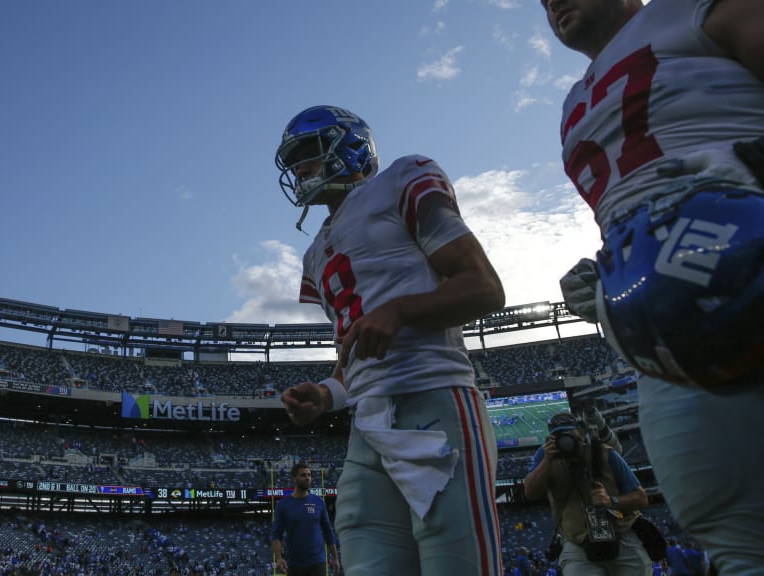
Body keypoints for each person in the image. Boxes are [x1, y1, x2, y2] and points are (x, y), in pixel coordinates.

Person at [541, 0, 764, 571]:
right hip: (671, 339)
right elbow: (630, 209)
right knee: (734, 536)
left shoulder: (693, 11)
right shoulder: (572, 103)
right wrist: (613, 274)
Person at [276, 105, 505, 575]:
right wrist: (326, 393)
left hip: (433, 394)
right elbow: (356, 345)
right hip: (367, 421)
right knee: (366, 554)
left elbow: (484, 287)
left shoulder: (403, 177)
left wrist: (401, 311)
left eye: (309, 153)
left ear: (350, 146)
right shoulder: (314, 252)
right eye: (294, 160)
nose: (301, 169)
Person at [524, 413, 652, 575]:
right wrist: (547, 460)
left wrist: (610, 500)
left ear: (580, 433)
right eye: (558, 435)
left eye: (569, 433)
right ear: (551, 438)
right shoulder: (544, 456)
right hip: (577, 541)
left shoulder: (605, 453)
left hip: (621, 535)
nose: (565, 439)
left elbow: (641, 498)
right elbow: (530, 492)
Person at [270, 463, 340, 576]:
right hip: (294, 563)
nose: (307, 477)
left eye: (309, 474)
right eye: (303, 475)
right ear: (294, 478)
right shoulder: (283, 505)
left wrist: (335, 558)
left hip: (317, 562)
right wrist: (278, 558)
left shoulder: (318, 502)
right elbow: (276, 535)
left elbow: (328, 532)